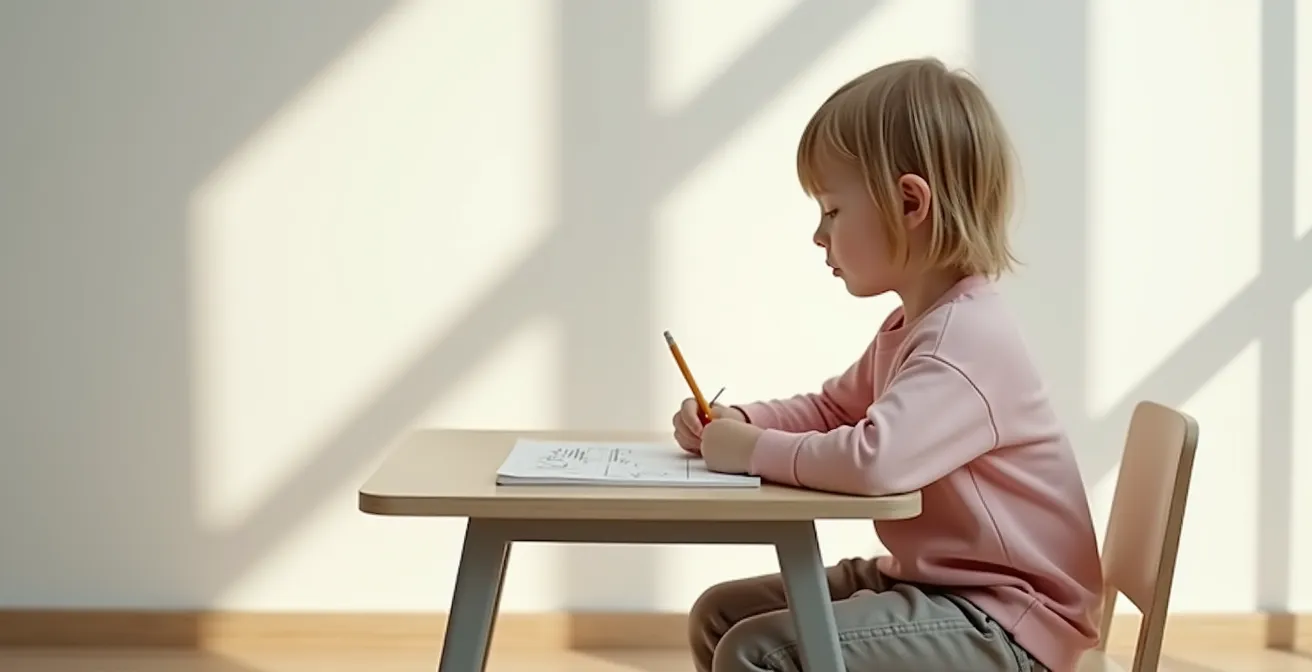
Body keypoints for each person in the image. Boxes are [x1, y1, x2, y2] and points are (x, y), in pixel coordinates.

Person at [671, 57, 1103, 672]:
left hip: (1007, 621)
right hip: (941, 585)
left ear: (908, 202)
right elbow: (831, 410)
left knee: (757, 651)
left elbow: (877, 462)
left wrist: (749, 449)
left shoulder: (967, 340)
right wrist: (736, 418)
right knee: (721, 615)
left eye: (832, 210)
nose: (819, 235)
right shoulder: (913, 327)